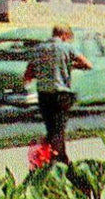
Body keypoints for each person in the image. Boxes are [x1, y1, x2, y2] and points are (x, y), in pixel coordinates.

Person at [22, 25, 92, 165]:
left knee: (51, 128)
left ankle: (52, 157)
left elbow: (28, 74)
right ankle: (59, 161)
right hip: (61, 94)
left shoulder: (38, 49)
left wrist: (42, 72)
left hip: (43, 95)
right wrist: (70, 65)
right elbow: (87, 64)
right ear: (64, 35)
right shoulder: (66, 48)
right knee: (59, 129)